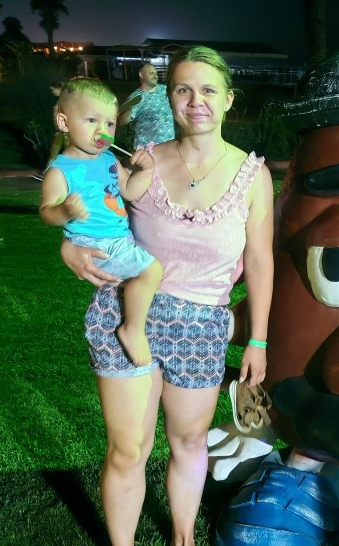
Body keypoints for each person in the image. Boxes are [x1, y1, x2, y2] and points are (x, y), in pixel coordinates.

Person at [61, 46, 274, 546]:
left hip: (201, 326)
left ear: (228, 100)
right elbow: (91, 214)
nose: (196, 101)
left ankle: (183, 537)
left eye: (208, 90)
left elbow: (260, 262)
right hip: (125, 317)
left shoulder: (253, 177)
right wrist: (69, 246)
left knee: (189, 441)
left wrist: (258, 341)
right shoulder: (142, 162)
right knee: (127, 450)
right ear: (170, 96)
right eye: (183, 89)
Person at [40, 78, 162, 365]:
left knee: (142, 275)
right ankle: (132, 330)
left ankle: (130, 320)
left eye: (109, 123)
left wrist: (146, 171)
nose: (102, 131)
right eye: (91, 120)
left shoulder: (109, 159)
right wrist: (64, 211)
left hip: (118, 238)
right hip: (96, 243)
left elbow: (129, 190)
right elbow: (46, 213)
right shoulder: (60, 171)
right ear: (64, 122)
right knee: (151, 270)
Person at [118, 62, 176, 149]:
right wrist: (130, 107)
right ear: (142, 75)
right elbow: (122, 121)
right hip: (148, 150)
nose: (155, 76)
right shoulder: (135, 97)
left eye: (156, 73)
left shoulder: (165, 90)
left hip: (170, 147)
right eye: (151, 73)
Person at [45, 80, 67, 170]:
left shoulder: (66, 102)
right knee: (54, 153)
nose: (52, 92)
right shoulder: (60, 101)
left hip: (67, 133)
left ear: (60, 89)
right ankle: (48, 172)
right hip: (60, 132)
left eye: (53, 89)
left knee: (67, 154)